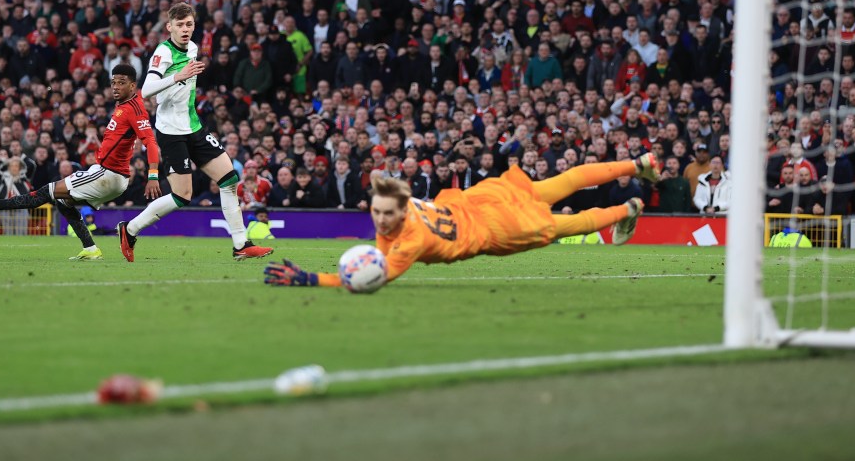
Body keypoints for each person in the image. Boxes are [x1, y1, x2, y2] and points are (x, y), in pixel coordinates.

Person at [264, 154, 662, 288]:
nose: (381, 221)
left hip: (491, 229)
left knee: (560, 226)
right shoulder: (405, 206)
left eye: (387, 214)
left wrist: (311, 278)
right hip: (478, 200)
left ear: (403, 211)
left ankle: (625, 211)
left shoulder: (411, 243)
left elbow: (373, 277)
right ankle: (638, 164)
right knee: (560, 183)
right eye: (377, 212)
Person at [118, 3, 273, 262]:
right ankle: (130, 229)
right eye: (180, 25)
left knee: (229, 180)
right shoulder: (163, 53)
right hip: (170, 132)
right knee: (182, 196)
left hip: (194, 126)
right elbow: (145, 90)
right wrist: (177, 76)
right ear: (169, 27)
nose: (185, 29)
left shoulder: (192, 48)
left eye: (189, 24)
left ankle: (241, 244)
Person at [0, 64, 160, 260]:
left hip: (108, 174)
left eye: (121, 83)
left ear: (132, 85)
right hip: (107, 173)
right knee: (62, 201)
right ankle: (90, 249)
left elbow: (151, 142)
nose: (115, 87)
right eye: (113, 82)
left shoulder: (135, 109)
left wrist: (153, 175)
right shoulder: (125, 105)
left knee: (48, 191)